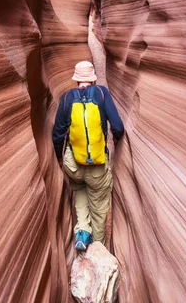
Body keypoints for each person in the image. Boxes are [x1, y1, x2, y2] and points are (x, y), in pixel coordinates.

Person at [52, 60, 124, 251]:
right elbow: (118, 126)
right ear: (92, 79)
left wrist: (60, 158)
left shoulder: (66, 99)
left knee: (80, 192)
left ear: (76, 80)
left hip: (74, 164)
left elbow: (58, 134)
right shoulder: (101, 93)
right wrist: (115, 140)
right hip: (97, 168)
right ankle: (97, 248)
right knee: (99, 209)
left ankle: (82, 232)